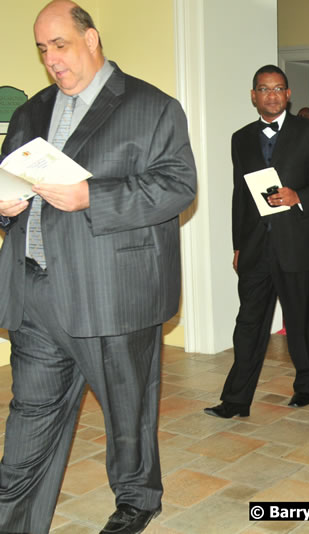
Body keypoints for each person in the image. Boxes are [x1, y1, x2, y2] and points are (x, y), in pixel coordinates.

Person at [0, 2, 197, 533]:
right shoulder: (30, 112)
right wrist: (3, 205)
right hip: (36, 292)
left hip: (113, 291)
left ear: (91, 39)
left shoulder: (152, 107)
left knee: (127, 409)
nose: (51, 61)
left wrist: (93, 195)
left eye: (60, 46)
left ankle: (138, 498)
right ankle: (13, 518)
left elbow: (179, 186)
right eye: (43, 50)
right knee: (31, 414)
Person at [205, 65, 309, 418]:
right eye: (264, 89)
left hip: (297, 243)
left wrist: (299, 195)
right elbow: (240, 195)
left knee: (300, 320)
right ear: (254, 96)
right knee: (249, 322)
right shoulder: (241, 138)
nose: (271, 95)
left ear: (288, 94)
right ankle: (236, 399)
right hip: (255, 247)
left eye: (278, 88)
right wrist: (238, 244)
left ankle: (307, 384)